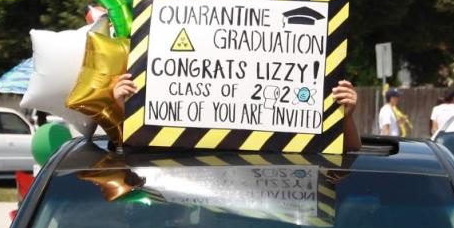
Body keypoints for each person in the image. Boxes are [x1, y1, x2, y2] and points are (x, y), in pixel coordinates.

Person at [111, 74, 363, 152]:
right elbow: (141, 157)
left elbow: (348, 161)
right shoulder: (195, 136)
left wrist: (345, 117)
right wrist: (129, 108)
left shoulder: (294, 138)